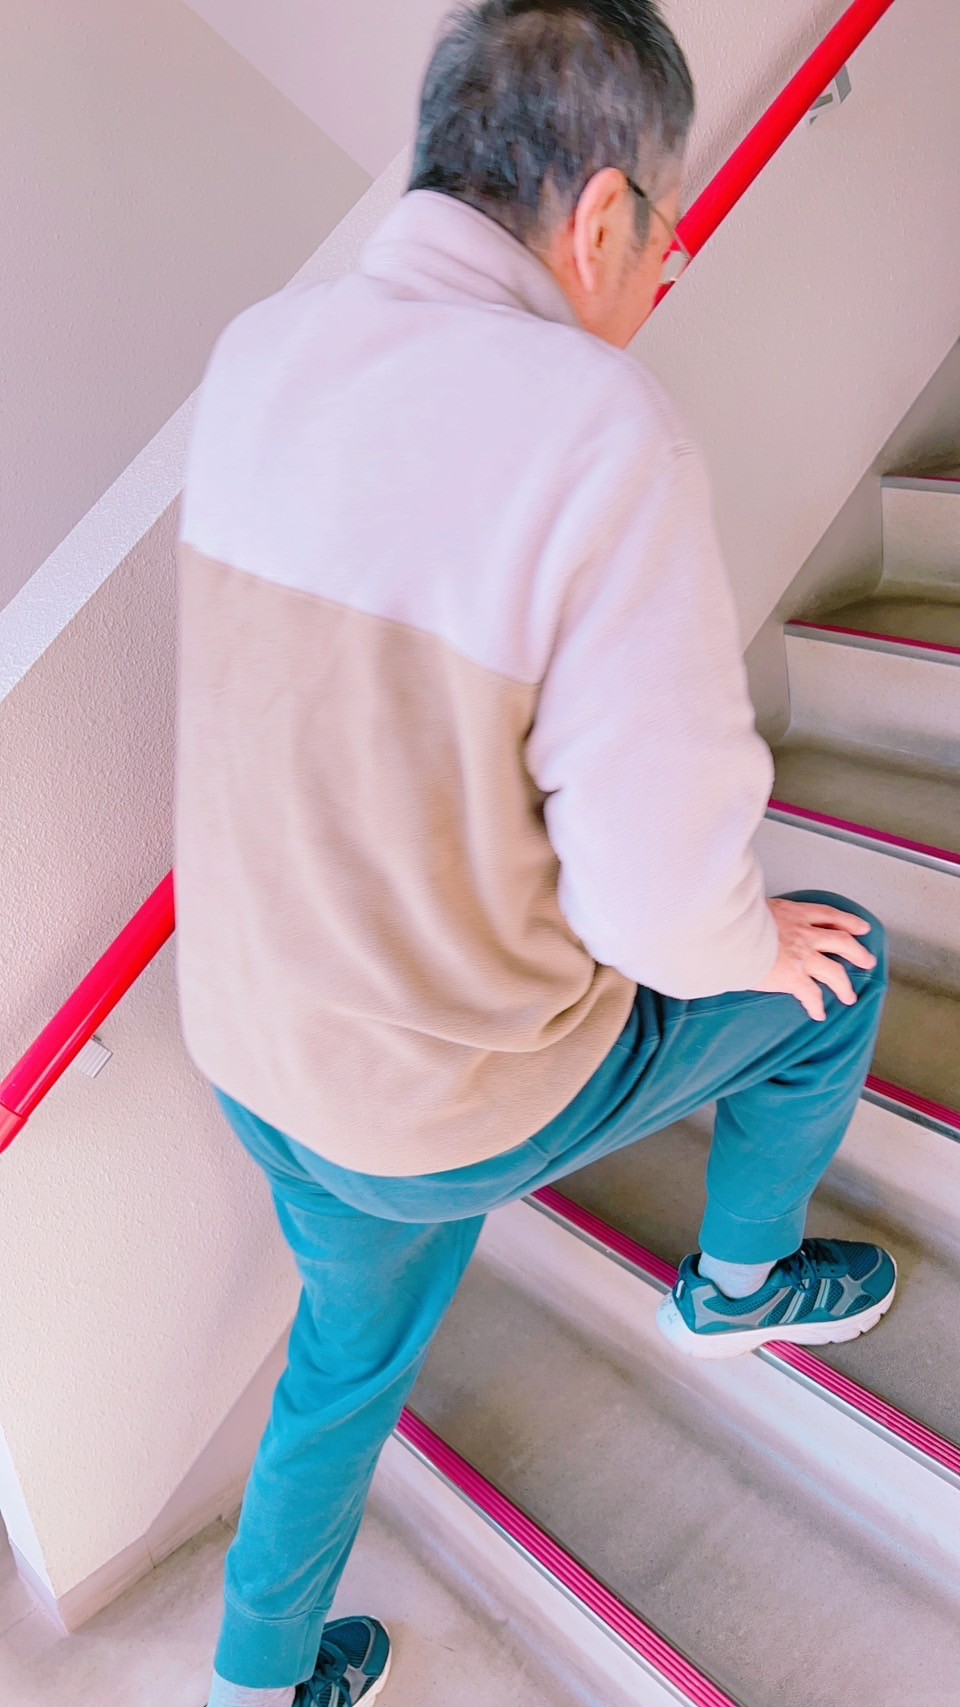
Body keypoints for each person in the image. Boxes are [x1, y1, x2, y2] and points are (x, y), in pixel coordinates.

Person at [175, 3, 896, 1703]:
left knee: (342, 1365)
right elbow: (661, 905)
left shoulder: (262, 355)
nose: (672, 259)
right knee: (835, 970)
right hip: (446, 1099)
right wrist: (757, 942)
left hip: (260, 1048)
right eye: (669, 219)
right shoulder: (593, 423)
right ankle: (738, 1283)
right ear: (601, 214)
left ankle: (254, 1681)